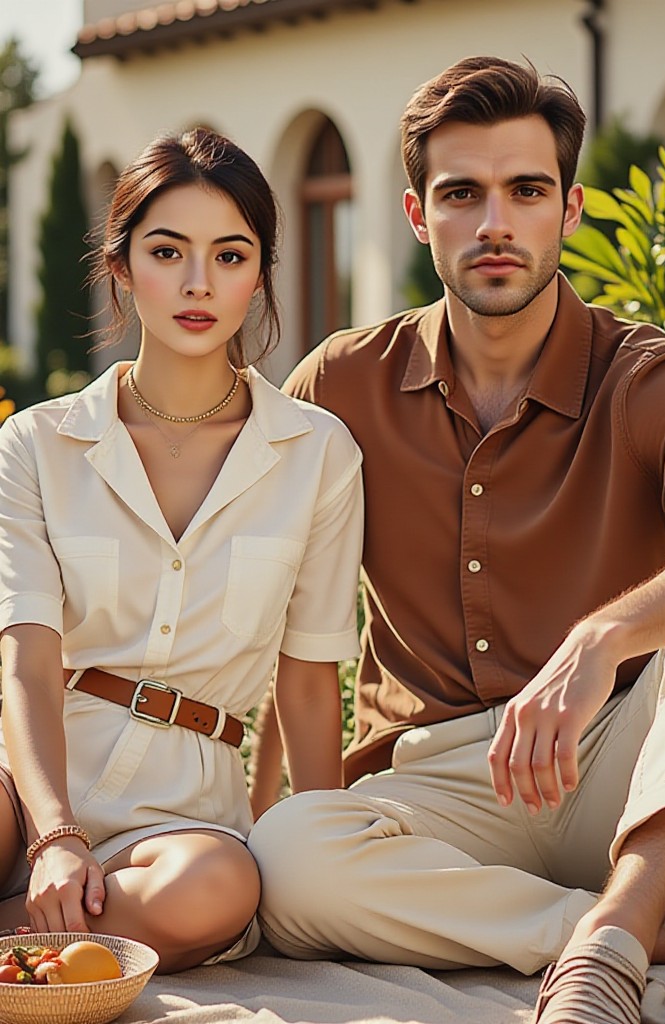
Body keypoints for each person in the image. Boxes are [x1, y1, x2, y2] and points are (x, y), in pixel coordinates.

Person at [248, 56, 665, 1024]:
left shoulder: (648, 378)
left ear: (569, 210)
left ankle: (612, 942)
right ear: (418, 215)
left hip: (619, 763)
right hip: (439, 792)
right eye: (463, 194)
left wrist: (602, 638)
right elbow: (271, 595)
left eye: (527, 191)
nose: (496, 223)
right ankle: (659, 935)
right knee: (286, 857)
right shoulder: (341, 384)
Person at [0, 127, 363, 973]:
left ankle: (22, 934)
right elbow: (26, 657)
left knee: (216, 889)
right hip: (28, 784)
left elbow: (309, 682)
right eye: (168, 252)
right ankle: (52, 941)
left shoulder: (317, 453)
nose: (199, 282)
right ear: (122, 266)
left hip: (183, 817)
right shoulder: (37, 445)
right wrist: (54, 834)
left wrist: (328, 860)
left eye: (230, 256)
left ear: (260, 274)